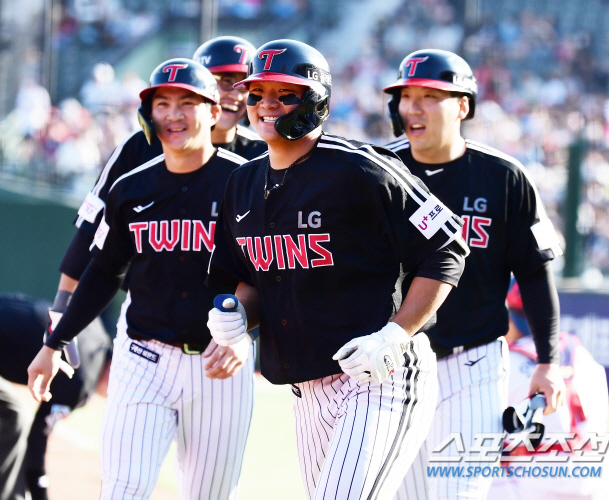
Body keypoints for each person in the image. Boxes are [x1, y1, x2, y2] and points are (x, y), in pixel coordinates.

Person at [205, 39, 469, 500]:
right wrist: (238, 316)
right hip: (306, 385)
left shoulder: (362, 168)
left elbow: (447, 245)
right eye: (257, 92)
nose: (266, 104)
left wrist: (395, 334)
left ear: (316, 100)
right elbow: (249, 278)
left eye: (285, 94)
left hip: (381, 374)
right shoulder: (241, 182)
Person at [28, 59, 255, 500]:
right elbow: (102, 272)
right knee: (123, 489)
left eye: (187, 103)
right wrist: (54, 342)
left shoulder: (245, 183)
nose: (173, 115)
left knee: (209, 495)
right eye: (162, 104)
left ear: (214, 112)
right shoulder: (131, 188)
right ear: (148, 115)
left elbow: (267, 272)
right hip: (143, 357)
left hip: (219, 364)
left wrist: (243, 332)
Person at [382, 49, 566, 500]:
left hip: (473, 365)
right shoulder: (379, 170)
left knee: (459, 493)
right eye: (406, 97)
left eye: (430, 97)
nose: (413, 108)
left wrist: (548, 361)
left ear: (462, 105)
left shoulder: (503, 176)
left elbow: (534, 273)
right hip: (393, 363)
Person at [53, 36, 265, 333]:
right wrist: (61, 306)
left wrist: (241, 327)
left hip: (225, 322)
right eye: (222, 81)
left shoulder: (261, 155)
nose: (233, 93)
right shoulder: (141, 145)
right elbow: (92, 227)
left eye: (243, 84)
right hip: (146, 319)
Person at [487, 280, 609, 500]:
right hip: (593, 483)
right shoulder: (583, 356)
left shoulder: (506, 361)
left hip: (534, 485)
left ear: (507, 316)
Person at [0, 293, 111, 500]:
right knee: (13, 418)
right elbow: (36, 442)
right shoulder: (79, 381)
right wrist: (40, 494)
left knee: (14, 415)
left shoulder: (97, 332)